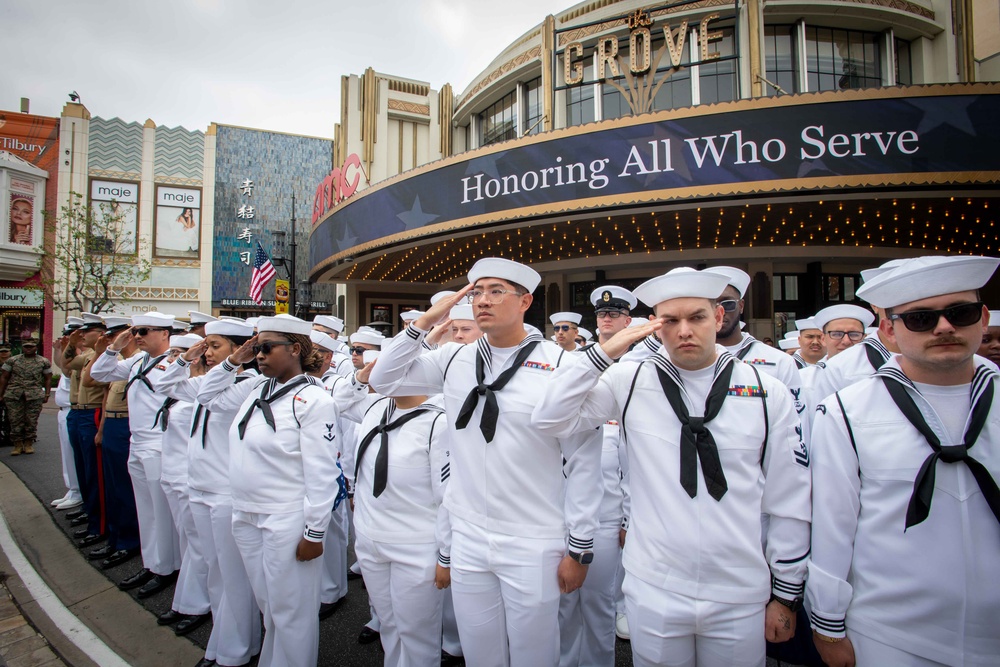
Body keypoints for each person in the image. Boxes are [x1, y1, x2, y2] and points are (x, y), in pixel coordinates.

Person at [532, 267, 812, 667]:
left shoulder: (767, 389)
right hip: (654, 585)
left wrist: (785, 593)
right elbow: (550, 418)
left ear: (718, 317)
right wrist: (602, 355)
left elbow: (789, 497)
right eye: (671, 321)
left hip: (739, 587)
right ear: (655, 327)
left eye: (696, 317)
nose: (684, 331)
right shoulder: (630, 378)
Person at [369, 258, 601, 667]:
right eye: (476, 292)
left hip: (534, 535)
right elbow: (383, 380)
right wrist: (422, 325)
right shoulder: (454, 359)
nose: (483, 301)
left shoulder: (560, 363)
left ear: (526, 300)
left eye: (496, 291)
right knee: (479, 653)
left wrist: (579, 548)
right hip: (469, 533)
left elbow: (584, 459)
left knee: (534, 655)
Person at [808, 254, 1000, 666]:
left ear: (983, 319)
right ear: (889, 331)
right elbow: (832, 524)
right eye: (920, 319)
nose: (944, 327)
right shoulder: (847, 411)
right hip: (889, 633)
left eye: (960, 313)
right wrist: (827, 622)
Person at [216, 315, 339, 667]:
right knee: (269, 605)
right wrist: (233, 360)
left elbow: (322, 473)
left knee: (292, 611)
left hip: (285, 518)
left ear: (295, 349)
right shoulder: (256, 388)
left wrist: (314, 533)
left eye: (266, 348)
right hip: (246, 513)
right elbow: (209, 395)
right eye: (257, 348)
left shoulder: (314, 401)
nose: (259, 355)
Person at [334, 360, 449, 666]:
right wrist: (361, 375)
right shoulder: (375, 408)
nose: (383, 375)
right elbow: (340, 401)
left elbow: (448, 498)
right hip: (371, 540)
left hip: (416, 547)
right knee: (390, 625)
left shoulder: (439, 423)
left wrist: (446, 556)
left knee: (418, 634)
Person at [169, 318, 262, 667]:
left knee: (231, 576)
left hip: (225, 491)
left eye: (214, 346)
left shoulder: (248, 382)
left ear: (241, 351)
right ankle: (222, 640)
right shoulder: (214, 379)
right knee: (213, 569)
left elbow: (209, 396)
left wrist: (232, 363)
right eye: (207, 347)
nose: (207, 354)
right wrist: (186, 357)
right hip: (199, 487)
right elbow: (166, 384)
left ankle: (234, 650)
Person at [559, 285, 635, 667]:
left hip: (607, 511)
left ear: (628, 320)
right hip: (561, 507)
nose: (606, 318)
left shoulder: (639, 368)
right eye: (602, 314)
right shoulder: (576, 363)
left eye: (614, 313)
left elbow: (633, 459)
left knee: (598, 603)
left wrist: (627, 516)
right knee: (563, 605)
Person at [91, 312, 182, 598]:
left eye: (144, 330)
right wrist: (114, 347)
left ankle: (167, 568)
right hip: (138, 442)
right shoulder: (137, 361)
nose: (138, 336)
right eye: (136, 331)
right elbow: (99, 374)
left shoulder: (174, 362)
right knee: (146, 509)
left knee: (161, 512)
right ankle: (152, 562)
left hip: (160, 444)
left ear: (165, 334)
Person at [152, 332, 212, 636]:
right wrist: (181, 362)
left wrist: (188, 360)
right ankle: (187, 599)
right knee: (188, 541)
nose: (171, 359)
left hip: (193, 478)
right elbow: (159, 382)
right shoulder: (182, 387)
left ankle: (196, 604)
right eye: (172, 353)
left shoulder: (205, 388)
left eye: (181, 353)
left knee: (198, 545)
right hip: (172, 475)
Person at [87, 317, 142, 570]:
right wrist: (102, 429)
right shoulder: (120, 362)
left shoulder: (141, 361)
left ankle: (128, 541)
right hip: (112, 423)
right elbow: (98, 381)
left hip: (128, 426)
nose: (110, 340)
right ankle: (115, 536)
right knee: (111, 486)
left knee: (124, 488)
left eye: (115, 336)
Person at [0, 337, 51, 455]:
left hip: (34, 395)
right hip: (14, 394)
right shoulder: (13, 360)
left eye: (31, 347)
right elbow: (4, 377)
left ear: (36, 348)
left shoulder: (43, 361)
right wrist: (1, 394)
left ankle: (28, 443)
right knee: (15, 420)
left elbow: (48, 378)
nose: (28, 349)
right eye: (26, 346)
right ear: (22, 347)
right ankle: (17, 444)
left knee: (31, 420)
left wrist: (47, 393)